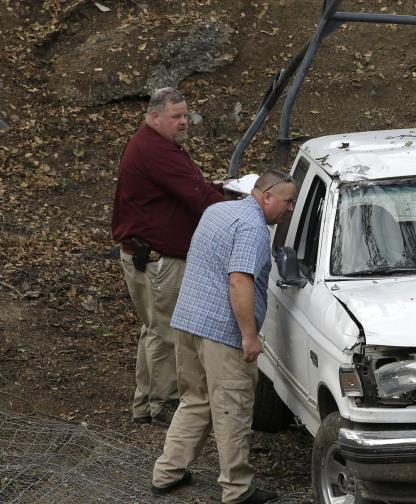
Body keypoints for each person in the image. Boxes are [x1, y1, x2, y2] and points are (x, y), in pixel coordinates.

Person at [151, 171, 298, 504]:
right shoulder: (253, 230)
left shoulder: (217, 211)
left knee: (195, 399)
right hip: (222, 332)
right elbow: (239, 282)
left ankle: (167, 473)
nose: (290, 209)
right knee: (232, 408)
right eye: (288, 201)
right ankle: (237, 489)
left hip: (189, 321)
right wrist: (249, 335)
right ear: (267, 196)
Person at [112, 87, 228, 426]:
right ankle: (162, 404)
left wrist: (218, 189)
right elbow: (197, 196)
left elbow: (189, 189)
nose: (183, 122)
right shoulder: (156, 151)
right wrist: (242, 207)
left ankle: (144, 403)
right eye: (175, 116)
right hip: (158, 262)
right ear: (154, 117)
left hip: (145, 256)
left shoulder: (155, 145)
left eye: (185, 115)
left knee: (153, 329)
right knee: (166, 332)